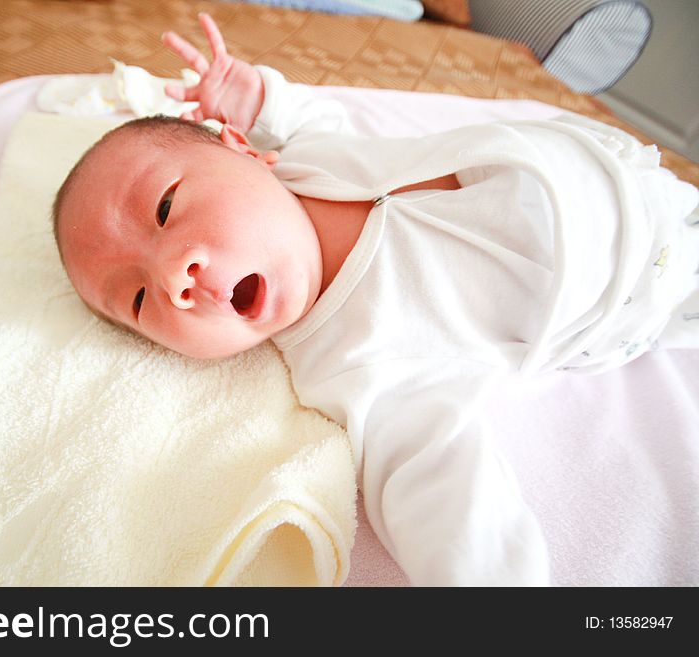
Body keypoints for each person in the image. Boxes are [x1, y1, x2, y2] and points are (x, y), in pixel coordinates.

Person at [53, 13, 699, 585]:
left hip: (616, 164)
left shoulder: (308, 159)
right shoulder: (355, 365)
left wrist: (253, 95)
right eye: (137, 300)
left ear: (247, 151)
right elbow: (439, 488)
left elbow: (312, 118)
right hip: (647, 281)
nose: (173, 276)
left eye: (166, 206)